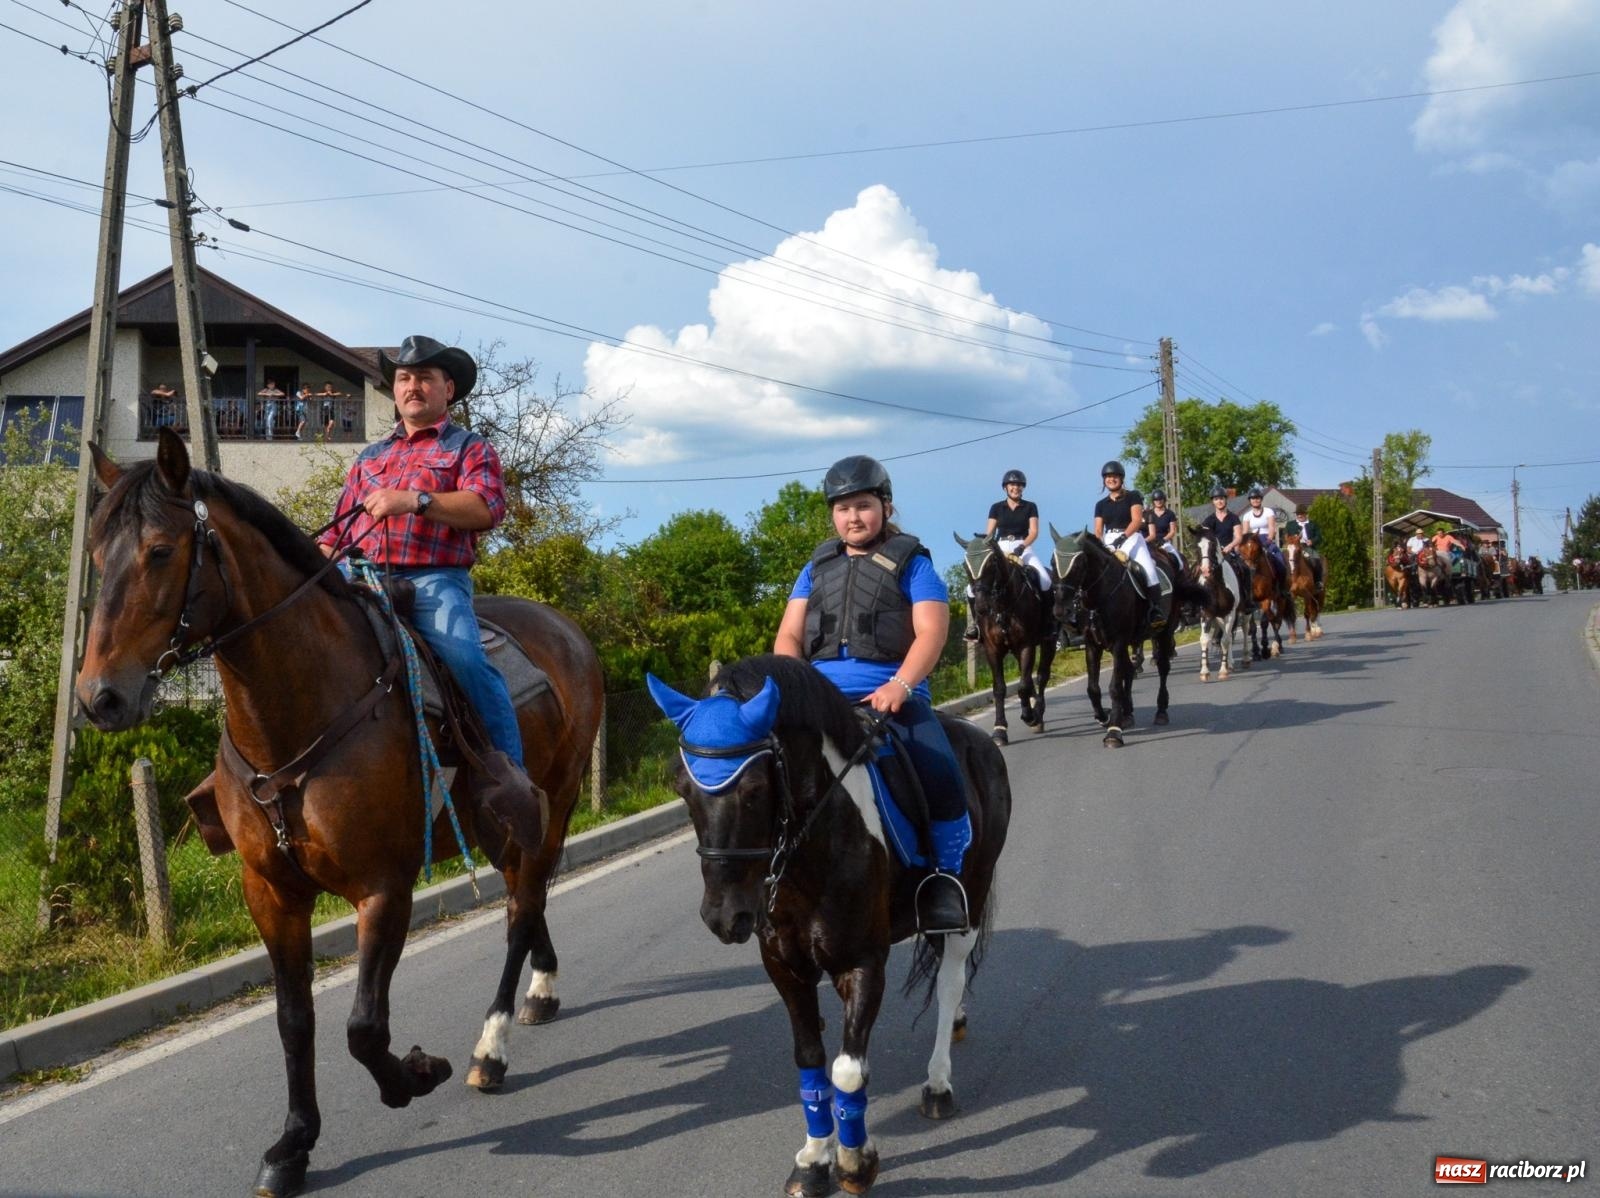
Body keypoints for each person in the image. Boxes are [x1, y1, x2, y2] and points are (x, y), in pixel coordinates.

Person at [314, 335, 543, 859]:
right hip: (358, 577)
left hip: (433, 580)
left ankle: (511, 785)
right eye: (403, 378)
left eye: (424, 378)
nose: (412, 386)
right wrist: (313, 561)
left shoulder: (469, 448)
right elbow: (335, 534)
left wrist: (415, 500)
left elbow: (485, 509)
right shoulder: (370, 458)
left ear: (448, 389)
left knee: (466, 656)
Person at [774, 454, 972, 935]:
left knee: (941, 770)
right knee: (760, 768)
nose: (853, 517)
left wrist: (900, 685)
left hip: (893, 697)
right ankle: (766, 875)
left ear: (885, 506)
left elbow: (931, 633)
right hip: (821, 700)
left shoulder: (913, 562)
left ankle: (944, 881)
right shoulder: (815, 568)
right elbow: (788, 638)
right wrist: (799, 687)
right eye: (842, 509)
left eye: (862, 506)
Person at [963, 468, 1051, 641]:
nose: (1015, 488)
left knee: (1045, 579)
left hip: (1022, 545)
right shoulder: (996, 508)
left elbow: (1034, 531)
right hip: (1000, 546)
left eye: (1018, 485)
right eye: (1012, 485)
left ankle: (1048, 623)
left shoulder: (1030, 506)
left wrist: (1022, 547)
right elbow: (989, 533)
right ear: (1005, 488)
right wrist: (986, 546)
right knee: (970, 588)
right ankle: (976, 626)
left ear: (1022, 488)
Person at [1092, 460, 1163, 626]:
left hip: (1132, 538)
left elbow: (1137, 520)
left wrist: (1123, 537)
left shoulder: (1133, 496)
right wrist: (1100, 544)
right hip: (1109, 539)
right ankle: (1093, 615)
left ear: (1121, 478)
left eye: (1115, 476)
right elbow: (1098, 529)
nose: (1111, 479)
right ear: (1104, 480)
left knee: (1149, 571)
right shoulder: (1100, 505)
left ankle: (1155, 610)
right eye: (1108, 477)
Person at [1243, 486, 1288, 593]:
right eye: (1253, 498)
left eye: (1257, 498)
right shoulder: (1247, 515)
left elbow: (1272, 528)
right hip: (1253, 541)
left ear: (1261, 499)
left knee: (1281, 562)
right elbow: (1245, 533)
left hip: (1266, 539)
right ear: (1250, 500)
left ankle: (1282, 588)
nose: (1255, 500)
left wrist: (1269, 541)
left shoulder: (1269, 512)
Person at [1199, 484, 1245, 572]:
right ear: (1213, 502)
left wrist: (1230, 546)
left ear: (1225, 500)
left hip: (1228, 551)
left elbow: (1239, 537)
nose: (1219, 501)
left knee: (1245, 569)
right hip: (1213, 552)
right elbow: (1204, 538)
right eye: (1216, 499)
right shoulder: (1208, 520)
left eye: (1221, 499)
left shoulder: (1233, 518)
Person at [1142, 488, 1183, 573]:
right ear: (1153, 501)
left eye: (1160, 499)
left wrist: (1163, 540)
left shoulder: (1170, 514)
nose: (1158, 501)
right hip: (1150, 542)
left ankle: (1182, 577)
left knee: (1179, 561)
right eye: (1156, 500)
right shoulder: (1148, 514)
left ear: (1164, 500)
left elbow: (1172, 531)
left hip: (1164, 542)